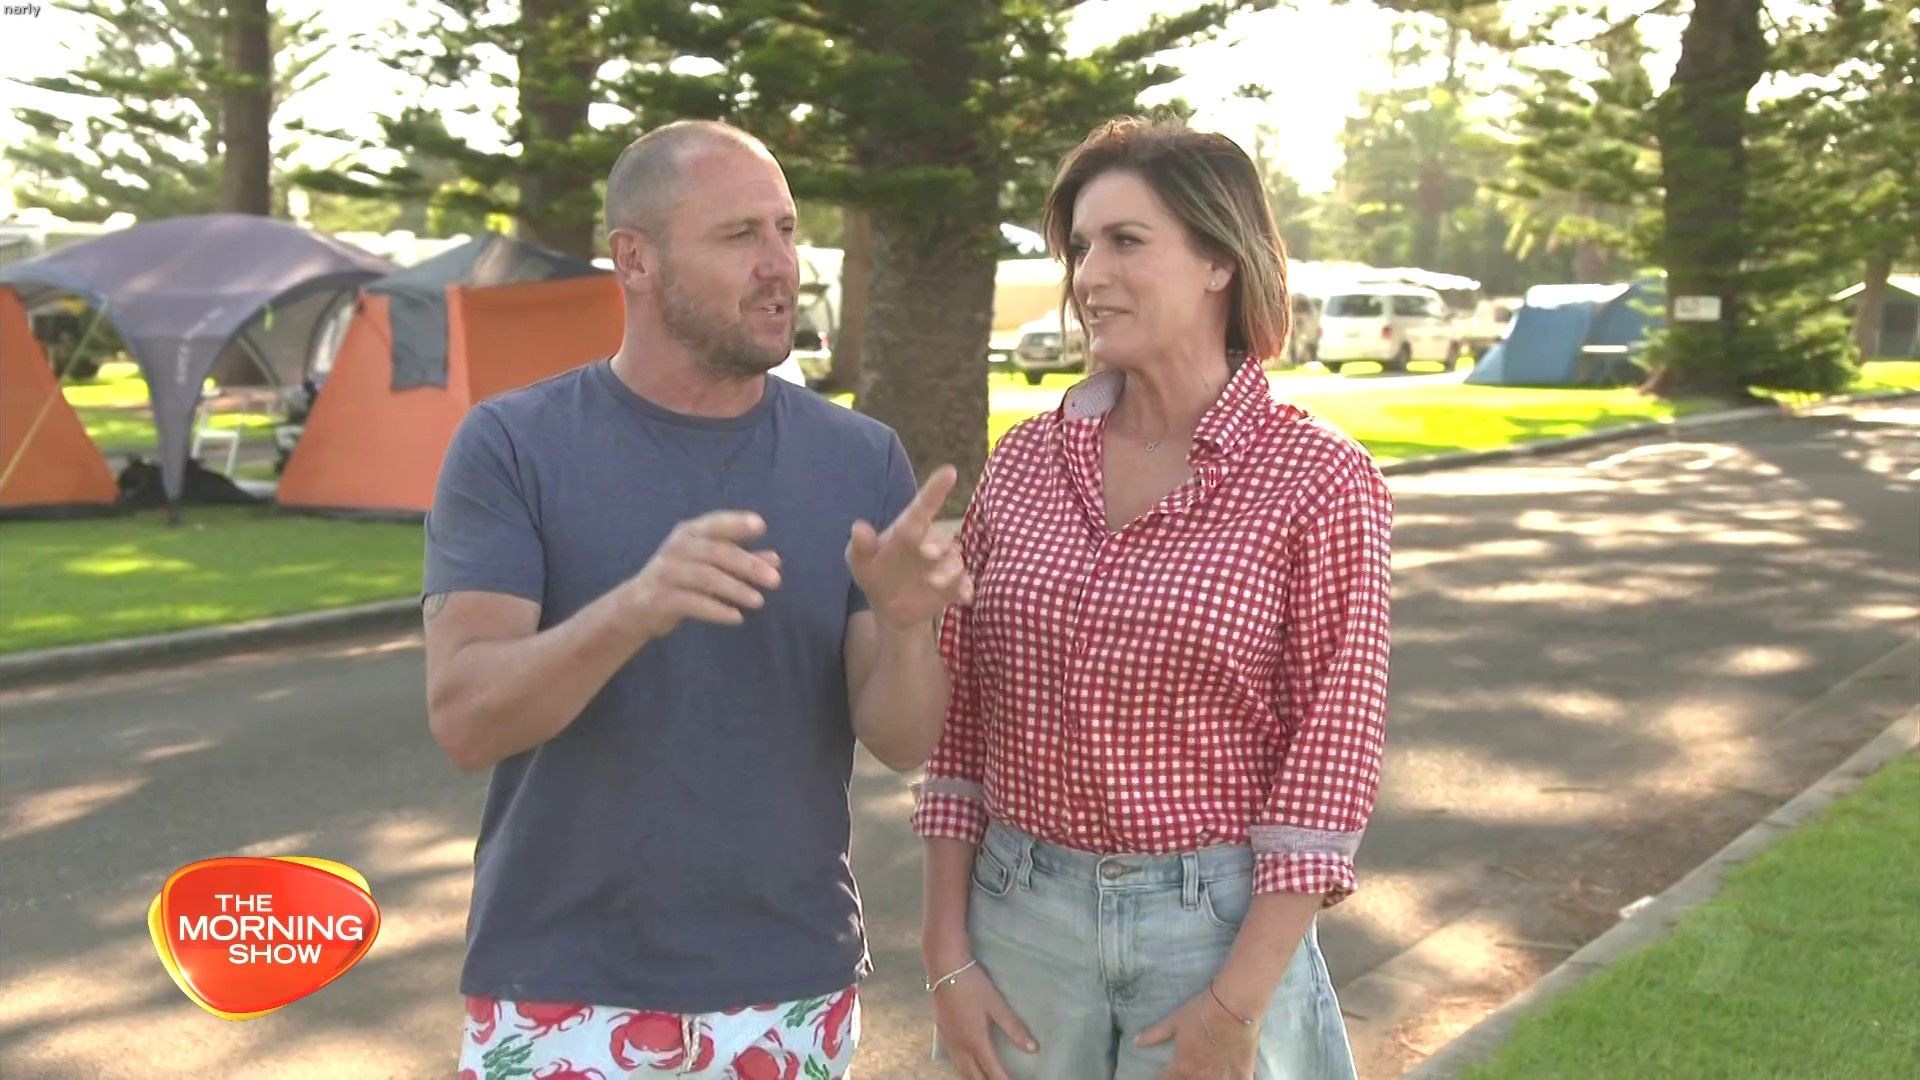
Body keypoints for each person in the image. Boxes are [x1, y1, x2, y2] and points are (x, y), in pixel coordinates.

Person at [424, 120, 970, 1079]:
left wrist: (906, 624)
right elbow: (467, 721)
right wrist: (634, 608)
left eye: (787, 230)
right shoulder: (513, 445)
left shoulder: (859, 457)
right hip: (563, 985)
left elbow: (902, 740)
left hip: (789, 990)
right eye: (739, 235)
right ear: (635, 259)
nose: (781, 264)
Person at [913, 117, 1392, 1080]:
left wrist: (1237, 1004)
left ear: (1220, 260)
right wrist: (945, 955)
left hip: (1216, 941)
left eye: (1126, 241)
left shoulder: (1318, 478)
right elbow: (962, 723)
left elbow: (1330, 756)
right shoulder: (1025, 462)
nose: (1090, 275)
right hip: (1017, 922)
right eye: (1080, 248)